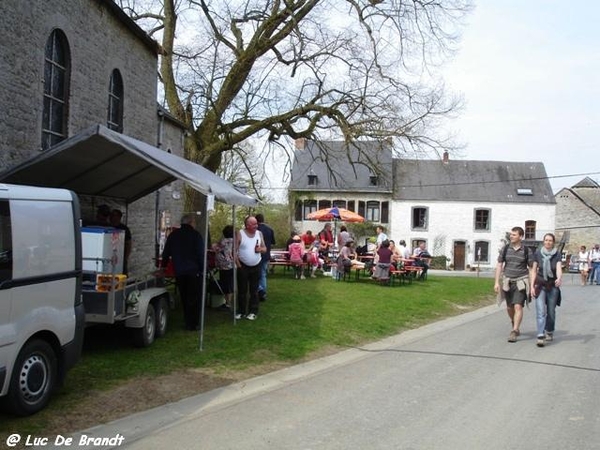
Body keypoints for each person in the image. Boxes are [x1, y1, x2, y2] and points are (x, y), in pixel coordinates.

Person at [160, 214, 205, 331]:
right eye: (194, 222)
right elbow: (201, 254)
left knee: (184, 297)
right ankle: (194, 323)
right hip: (194, 271)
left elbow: (166, 253)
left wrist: (163, 267)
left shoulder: (173, 235)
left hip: (180, 270)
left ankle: (187, 321)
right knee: (195, 297)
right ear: (191, 222)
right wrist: (203, 269)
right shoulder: (196, 235)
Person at [494, 227, 533, 343]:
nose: (511, 236)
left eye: (514, 235)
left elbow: (531, 268)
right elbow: (500, 265)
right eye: (511, 234)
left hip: (521, 281)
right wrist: (496, 282)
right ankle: (513, 321)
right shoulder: (505, 249)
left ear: (521, 236)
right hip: (507, 281)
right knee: (509, 307)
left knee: (518, 306)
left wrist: (531, 284)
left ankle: (515, 330)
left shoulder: (527, 251)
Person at [531, 233, 563, 347]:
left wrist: (559, 278)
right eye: (546, 240)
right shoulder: (538, 253)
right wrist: (531, 286)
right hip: (540, 285)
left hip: (552, 285)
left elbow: (558, 268)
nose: (548, 242)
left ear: (553, 242)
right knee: (540, 311)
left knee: (551, 311)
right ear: (543, 241)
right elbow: (534, 270)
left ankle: (549, 330)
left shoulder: (557, 254)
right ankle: (540, 334)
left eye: (550, 240)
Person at [234, 215, 266, 321]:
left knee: (254, 290)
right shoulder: (240, 234)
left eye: (256, 223)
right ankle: (241, 311)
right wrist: (239, 266)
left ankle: (253, 311)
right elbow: (233, 252)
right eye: (253, 224)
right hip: (243, 266)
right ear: (247, 225)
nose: (256, 226)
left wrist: (260, 249)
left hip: (256, 265)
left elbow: (265, 248)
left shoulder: (259, 234)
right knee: (242, 290)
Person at [213, 225, 235, 310]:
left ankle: (227, 303)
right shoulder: (233, 241)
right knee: (229, 284)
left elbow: (214, 247)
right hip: (231, 265)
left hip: (224, 266)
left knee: (226, 285)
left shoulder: (223, 241)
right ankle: (227, 302)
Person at [256, 213, 275, 301]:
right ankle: (262, 292)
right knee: (263, 274)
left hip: (256, 254)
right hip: (266, 254)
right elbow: (273, 242)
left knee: (254, 274)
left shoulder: (255, 229)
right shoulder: (270, 229)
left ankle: (259, 290)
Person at [110, 209, 132, 275]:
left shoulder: (124, 229)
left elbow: (129, 244)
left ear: (119, 217)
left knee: (122, 273)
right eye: (112, 215)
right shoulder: (108, 226)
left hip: (121, 256)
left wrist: (126, 258)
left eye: (115, 215)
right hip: (110, 255)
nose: (113, 217)